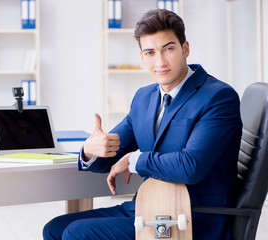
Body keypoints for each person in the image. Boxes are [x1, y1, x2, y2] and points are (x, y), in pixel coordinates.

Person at [43, 8, 242, 240]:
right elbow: (114, 150)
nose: (160, 61)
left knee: (77, 233)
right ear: (142, 57)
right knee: (54, 229)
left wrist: (135, 160)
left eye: (168, 49)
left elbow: (191, 166)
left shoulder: (218, 96)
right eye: (150, 52)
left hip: (192, 218)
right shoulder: (144, 98)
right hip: (147, 208)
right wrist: (90, 150)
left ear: (185, 48)